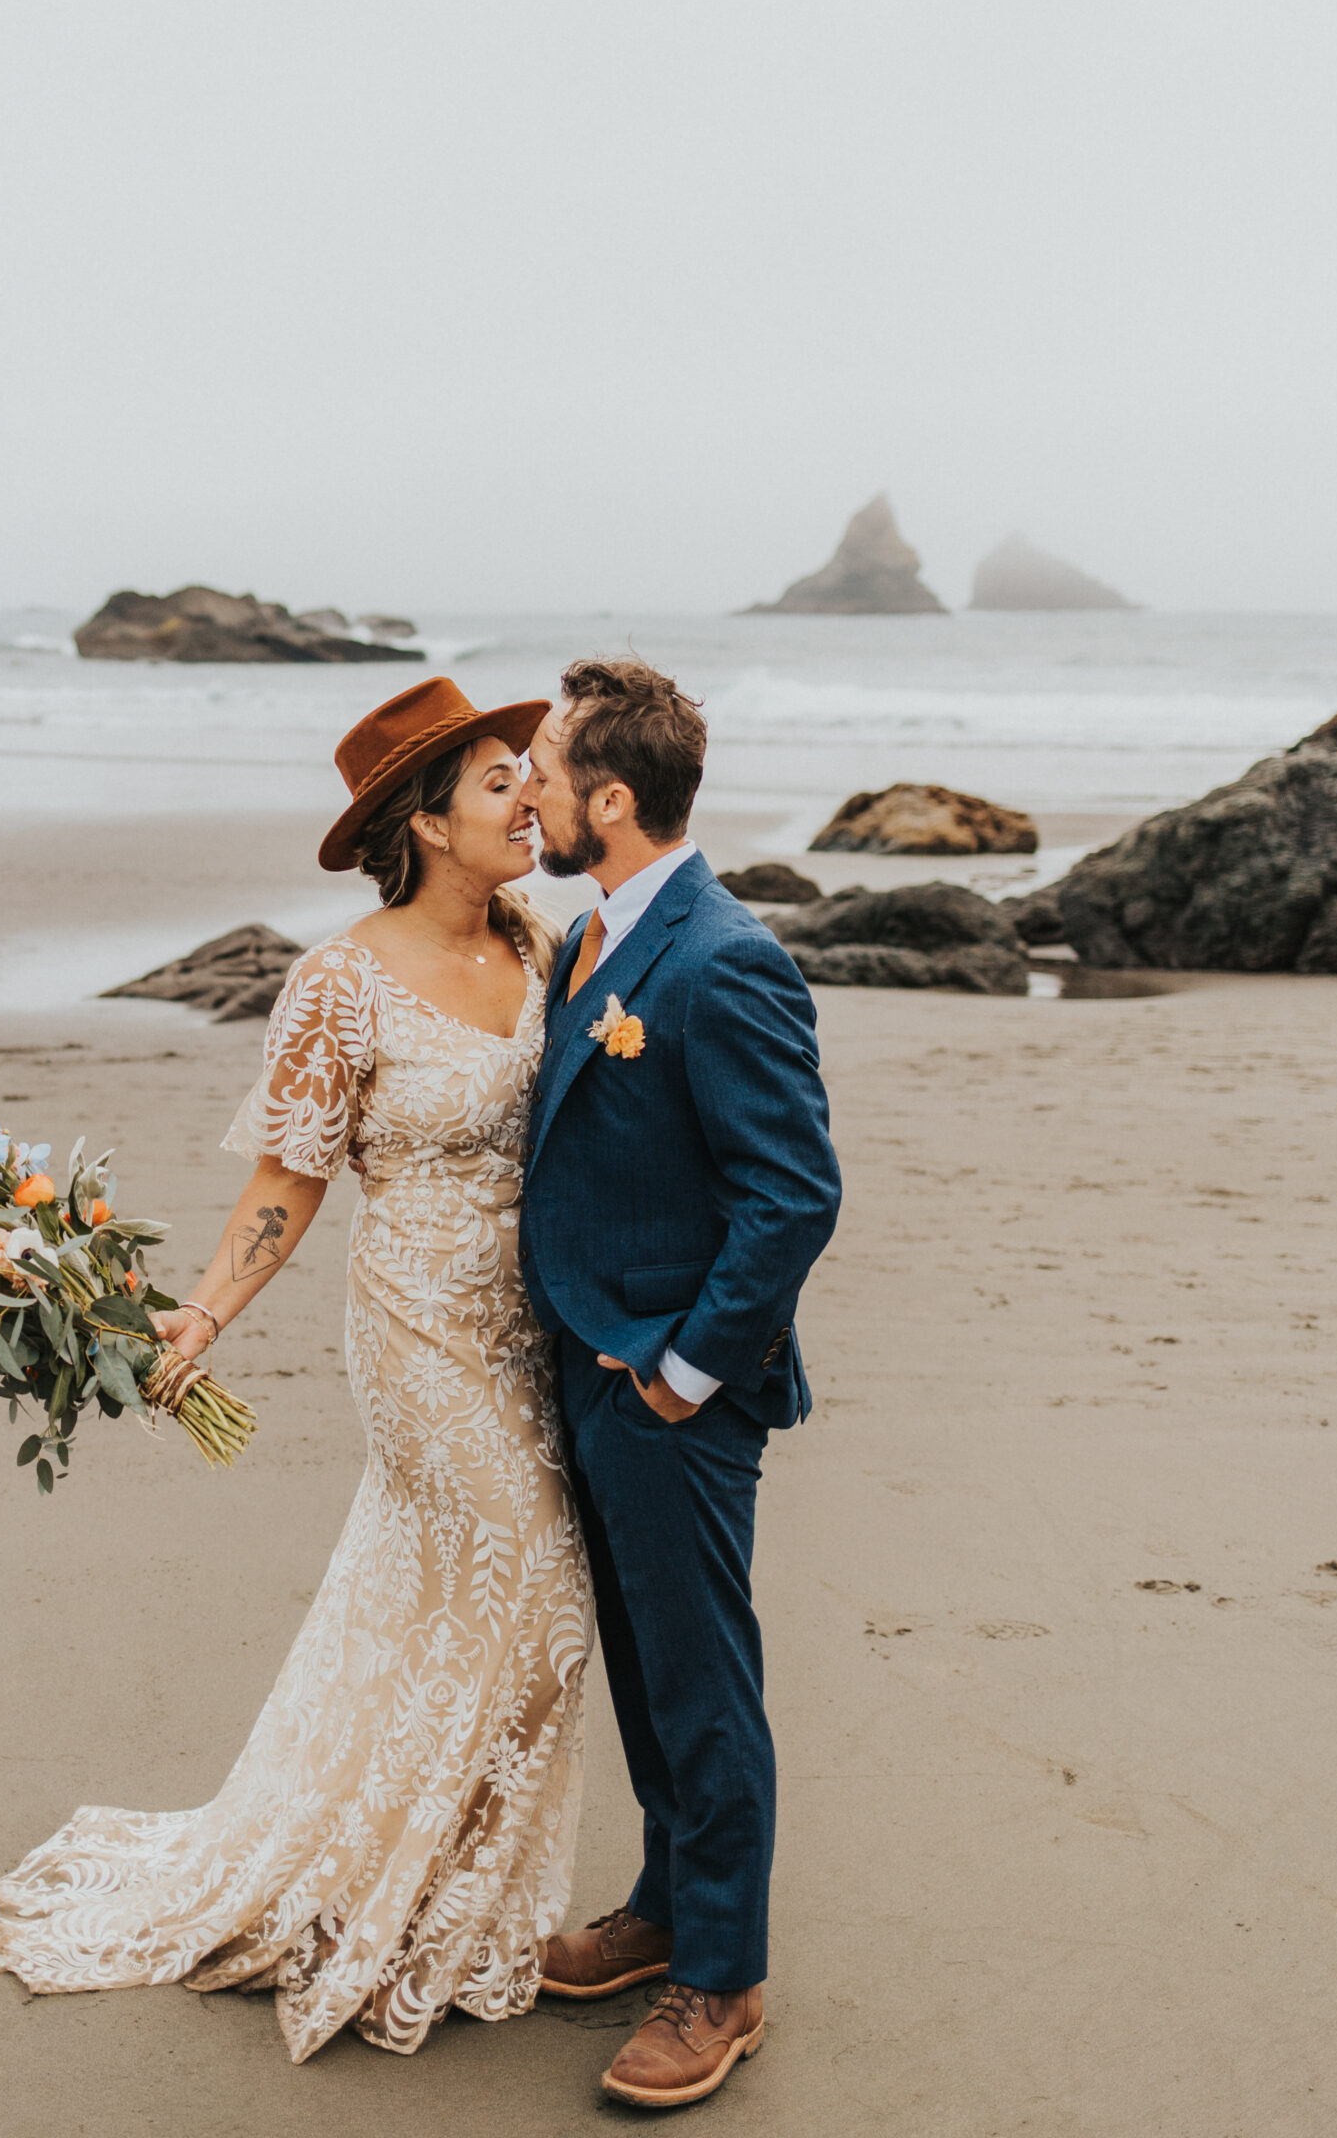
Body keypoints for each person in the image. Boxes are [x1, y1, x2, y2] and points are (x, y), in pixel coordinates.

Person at [0, 677, 592, 2064]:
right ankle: (372, 1893)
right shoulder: (338, 983)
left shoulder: (546, 947)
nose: (526, 800)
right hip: (420, 1331)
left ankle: (443, 1882)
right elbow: (288, 1178)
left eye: (522, 777)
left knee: (470, 1614)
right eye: (497, 781)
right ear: (424, 820)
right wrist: (197, 1321)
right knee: (536, 1590)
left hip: (536, 1333)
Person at [517, 656, 841, 2110]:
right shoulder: (588, 938)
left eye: (540, 767)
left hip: (669, 1388)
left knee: (703, 1678)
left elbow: (792, 1196)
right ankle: (661, 1907)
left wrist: (684, 1373)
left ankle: (722, 1979)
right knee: (644, 1664)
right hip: (585, 1369)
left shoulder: (722, 958)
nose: (523, 788)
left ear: (611, 798)